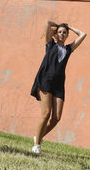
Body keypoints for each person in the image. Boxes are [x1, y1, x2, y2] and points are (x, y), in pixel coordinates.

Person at [30, 20, 86, 154]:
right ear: (55, 35)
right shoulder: (50, 44)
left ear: (67, 36)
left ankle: (38, 136)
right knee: (46, 113)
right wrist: (57, 27)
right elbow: (47, 23)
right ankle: (37, 144)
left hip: (59, 85)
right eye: (60, 32)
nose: (62, 34)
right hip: (45, 81)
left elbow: (83, 34)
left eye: (64, 33)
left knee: (56, 118)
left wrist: (69, 27)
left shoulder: (68, 49)